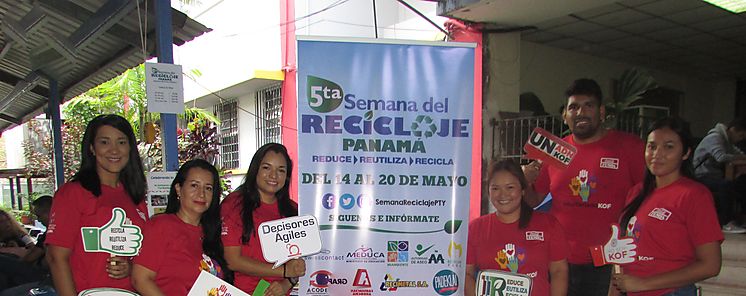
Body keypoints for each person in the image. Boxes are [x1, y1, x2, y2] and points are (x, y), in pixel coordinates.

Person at [523, 78, 646, 295]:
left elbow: (649, 197)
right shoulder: (554, 150)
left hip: (609, 262)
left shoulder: (629, 147)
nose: (580, 112)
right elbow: (534, 201)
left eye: (588, 105)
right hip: (561, 261)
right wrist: (525, 180)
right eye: (573, 107)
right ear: (565, 115)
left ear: (601, 111)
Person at [611, 117, 722, 296]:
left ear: (686, 153)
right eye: (652, 146)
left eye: (669, 147)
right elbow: (620, 258)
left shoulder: (694, 195)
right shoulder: (636, 193)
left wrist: (644, 283)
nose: (657, 154)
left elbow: (711, 265)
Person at [46, 114, 148, 296]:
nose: (114, 150)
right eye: (104, 142)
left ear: (130, 148)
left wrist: (130, 267)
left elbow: (144, 258)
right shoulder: (73, 193)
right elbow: (56, 257)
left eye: (122, 142)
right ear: (92, 148)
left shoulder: (135, 197)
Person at [466, 160, 569, 296]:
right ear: (488, 191)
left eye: (510, 187)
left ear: (523, 190)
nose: (503, 195)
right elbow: (466, 273)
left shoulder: (548, 224)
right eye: (495, 188)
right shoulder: (476, 228)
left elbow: (559, 271)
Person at [132, 159, 231, 295]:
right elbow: (140, 279)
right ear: (178, 189)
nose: (201, 194)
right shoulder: (161, 226)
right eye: (194, 186)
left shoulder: (212, 233)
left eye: (208, 188)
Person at [221, 143, 305, 295]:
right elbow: (232, 260)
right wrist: (284, 271)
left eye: (281, 170)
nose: (273, 175)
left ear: (287, 176)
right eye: (267, 168)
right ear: (255, 170)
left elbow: (298, 263)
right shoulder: (234, 204)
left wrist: (286, 283)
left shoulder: (293, 210)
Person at [692, 118, 746, 233]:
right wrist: (739, 158)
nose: (740, 140)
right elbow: (720, 157)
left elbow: (739, 154)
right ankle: (726, 222)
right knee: (726, 185)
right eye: (740, 136)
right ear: (733, 130)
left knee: (740, 184)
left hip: (714, 176)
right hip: (701, 175)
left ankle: (740, 219)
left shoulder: (727, 142)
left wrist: (741, 157)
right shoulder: (715, 138)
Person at [0, 196, 54, 295]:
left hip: (40, 272)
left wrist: (17, 254)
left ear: (49, 213)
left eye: (39, 216)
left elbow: (31, 257)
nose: (38, 220)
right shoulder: (49, 232)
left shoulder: (52, 232)